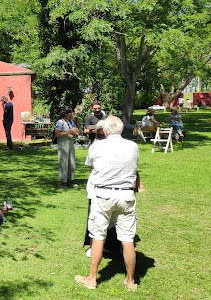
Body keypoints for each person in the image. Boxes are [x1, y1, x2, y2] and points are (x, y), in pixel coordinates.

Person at [75, 116, 139, 292]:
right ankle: (131, 280)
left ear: (104, 131)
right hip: (126, 195)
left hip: (103, 194)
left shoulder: (97, 146)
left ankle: (92, 278)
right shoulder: (133, 147)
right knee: (127, 238)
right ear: (121, 129)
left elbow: (91, 167)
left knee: (97, 236)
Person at [55, 106, 80, 189]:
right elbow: (57, 134)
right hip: (63, 144)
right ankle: (62, 182)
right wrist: (69, 132)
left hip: (70, 143)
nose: (71, 114)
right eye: (70, 112)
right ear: (66, 113)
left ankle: (70, 180)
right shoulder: (60, 122)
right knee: (63, 163)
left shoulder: (70, 122)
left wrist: (76, 131)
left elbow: (74, 129)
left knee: (72, 162)